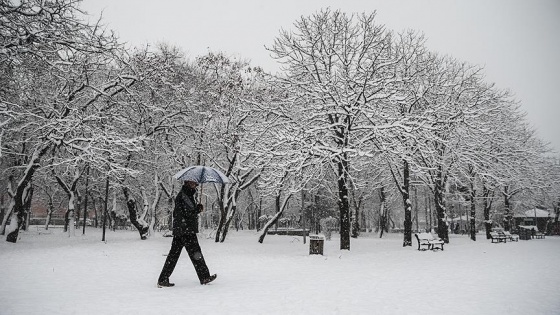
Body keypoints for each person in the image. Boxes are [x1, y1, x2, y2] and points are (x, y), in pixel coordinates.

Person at [157, 180, 216, 287]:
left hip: (182, 230)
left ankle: (163, 279)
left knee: (173, 256)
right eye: (193, 184)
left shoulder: (187, 195)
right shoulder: (183, 196)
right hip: (186, 231)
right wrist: (197, 210)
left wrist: (196, 209)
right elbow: (185, 213)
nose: (195, 186)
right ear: (188, 183)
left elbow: (185, 212)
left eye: (196, 184)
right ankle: (204, 277)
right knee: (196, 254)